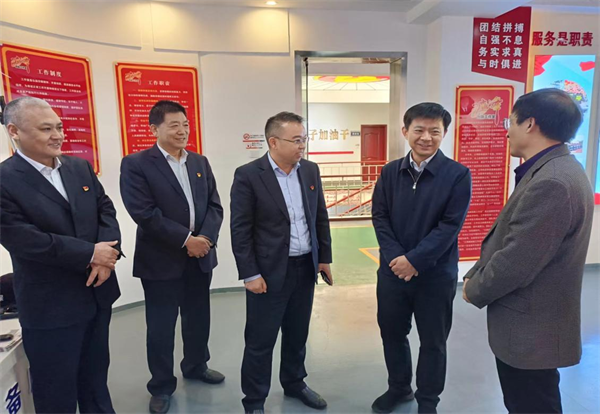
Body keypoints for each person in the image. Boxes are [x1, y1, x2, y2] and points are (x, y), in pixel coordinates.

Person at [463, 88, 594, 413]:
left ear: (530, 124)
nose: (507, 131)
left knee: (531, 405)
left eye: (511, 122)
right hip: (534, 328)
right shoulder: (555, 169)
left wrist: (474, 289)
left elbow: (516, 261)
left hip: (531, 331)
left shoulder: (552, 182)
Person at [0, 96, 122, 413]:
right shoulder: (5, 180)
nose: (57, 136)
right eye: (46, 129)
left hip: (97, 293)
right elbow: (23, 239)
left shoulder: (79, 168)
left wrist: (107, 255)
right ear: (14, 131)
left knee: (95, 382)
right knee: (56, 392)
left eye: (59, 127)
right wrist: (90, 254)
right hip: (50, 306)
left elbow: (105, 211)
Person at [120, 100, 224, 414]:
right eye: (174, 125)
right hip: (160, 260)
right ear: (154, 129)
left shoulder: (199, 162)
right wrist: (186, 240)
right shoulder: (136, 164)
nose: (182, 131)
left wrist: (205, 239)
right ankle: (162, 385)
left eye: (185, 125)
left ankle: (196, 365)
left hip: (200, 257)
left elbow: (214, 206)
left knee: (198, 318)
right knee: (161, 327)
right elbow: (144, 213)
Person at [371, 102, 472, 414]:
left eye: (434, 131)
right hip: (392, 273)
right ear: (405, 131)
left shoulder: (457, 175)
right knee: (392, 334)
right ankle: (399, 388)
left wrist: (414, 261)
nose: (426, 137)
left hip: (435, 276)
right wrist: (397, 259)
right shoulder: (390, 172)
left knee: (433, 341)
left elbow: (449, 226)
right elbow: (380, 217)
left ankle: (428, 401)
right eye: (419, 130)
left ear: (444, 134)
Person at [230, 111, 333, 414]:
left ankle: (294, 382)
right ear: (273, 142)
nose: (302, 146)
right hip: (268, 272)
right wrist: (250, 273)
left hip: (304, 267)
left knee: (297, 333)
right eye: (296, 140)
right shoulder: (249, 175)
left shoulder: (310, 171)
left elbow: (319, 216)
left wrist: (324, 258)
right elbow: (240, 229)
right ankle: (254, 401)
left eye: (304, 139)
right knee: (260, 341)